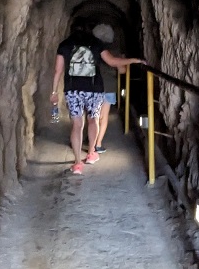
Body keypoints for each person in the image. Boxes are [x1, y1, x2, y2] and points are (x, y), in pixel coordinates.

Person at [51, 25, 142, 174]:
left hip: (73, 90)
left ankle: (78, 163)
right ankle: (92, 153)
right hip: (94, 90)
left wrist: (54, 92)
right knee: (93, 120)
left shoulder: (65, 45)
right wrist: (134, 60)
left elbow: (58, 71)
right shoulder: (95, 43)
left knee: (77, 124)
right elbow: (112, 61)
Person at [92, 23, 118, 152]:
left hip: (93, 85)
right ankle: (98, 144)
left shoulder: (92, 49)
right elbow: (122, 70)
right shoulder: (114, 52)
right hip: (109, 86)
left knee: (93, 115)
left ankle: (91, 141)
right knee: (104, 116)